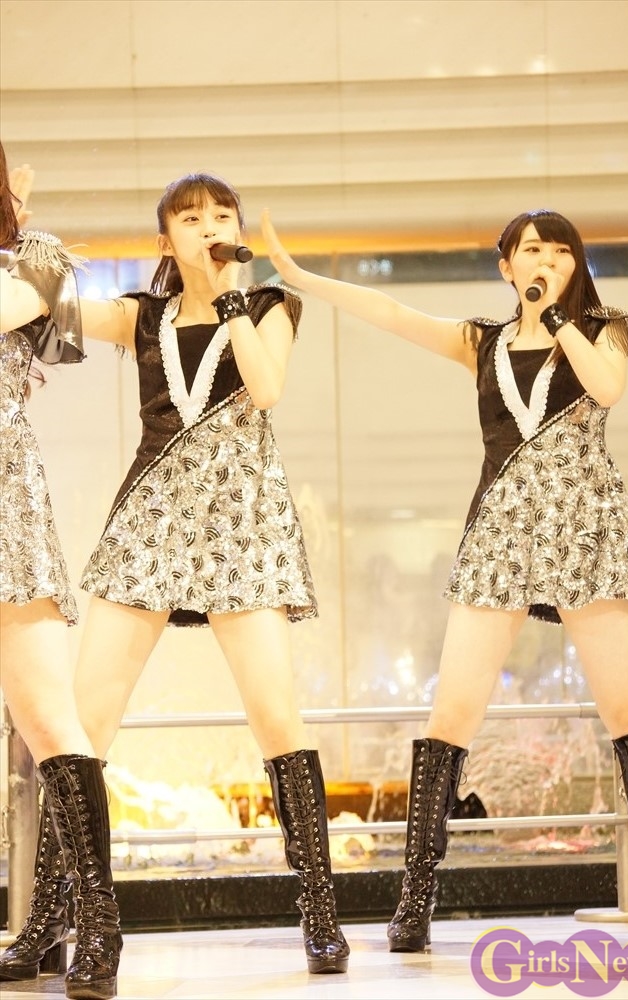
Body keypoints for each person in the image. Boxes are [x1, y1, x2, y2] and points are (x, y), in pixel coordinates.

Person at [260, 207, 628, 951]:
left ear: (575, 264)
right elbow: (392, 313)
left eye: (560, 251)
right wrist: (301, 277)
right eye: (530, 250)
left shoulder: (604, 328)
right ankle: (415, 901)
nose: (545, 260)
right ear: (506, 267)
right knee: (450, 713)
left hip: (587, 531)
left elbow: (607, 388)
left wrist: (558, 318)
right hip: (500, 532)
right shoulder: (482, 342)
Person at [5, 171, 348, 979]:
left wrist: (228, 296)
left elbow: (266, 387)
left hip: (241, 523)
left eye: (221, 214)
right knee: (84, 723)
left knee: (276, 718)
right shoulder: (143, 315)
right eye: (190, 218)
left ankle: (320, 913)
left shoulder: (268, 306)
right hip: (151, 518)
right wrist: (20, 227)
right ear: (165, 239)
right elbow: (45, 305)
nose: (208, 226)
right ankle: (49, 918)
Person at [0, 143, 123, 999]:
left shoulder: (32, 261)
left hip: (4, 498)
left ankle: (99, 926)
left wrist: (19, 214)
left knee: (48, 718)